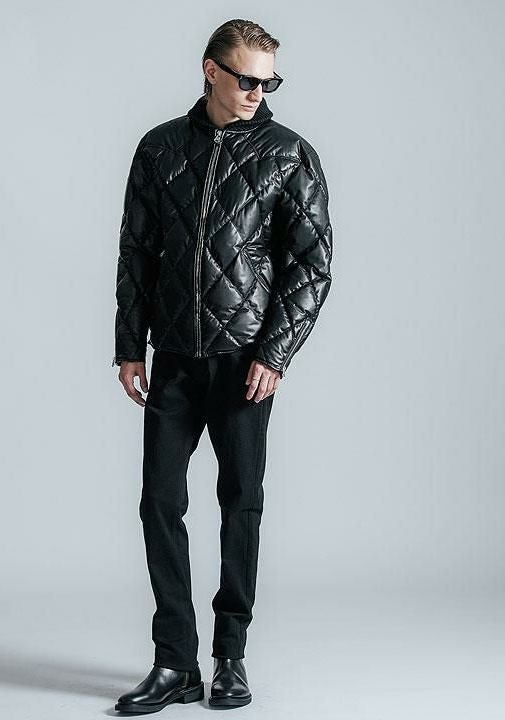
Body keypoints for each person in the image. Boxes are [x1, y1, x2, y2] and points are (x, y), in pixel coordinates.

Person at [112, 18, 333, 714]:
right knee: (158, 503)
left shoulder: (289, 155)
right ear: (211, 70)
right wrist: (130, 345)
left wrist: (275, 353)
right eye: (246, 79)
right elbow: (136, 251)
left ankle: (230, 657)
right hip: (175, 358)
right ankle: (174, 663)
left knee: (241, 504)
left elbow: (312, 266)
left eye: (269, 82)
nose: (258, 93)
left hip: (244, 365)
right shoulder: (158, 149)